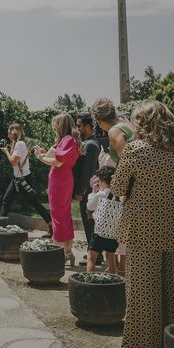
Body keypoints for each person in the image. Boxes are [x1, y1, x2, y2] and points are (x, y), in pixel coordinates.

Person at [111, 100, 174, 348]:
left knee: (144, 291)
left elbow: (118, 188)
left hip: (144, 229)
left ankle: (143, 346)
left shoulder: (135, 149)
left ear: (142, 123)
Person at [92, 98, 133, 274]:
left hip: (132, 187)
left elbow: (129, 161)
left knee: (122, 232)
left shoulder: (114, 132)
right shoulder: (125, 122)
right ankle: (120, 270)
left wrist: (119, 185)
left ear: (98, 121)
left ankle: (122, 274)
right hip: (135, 184)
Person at [34, 113, 82, 266]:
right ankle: (67, 252)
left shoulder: (68, 139)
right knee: (64, 214)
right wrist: (44, 154)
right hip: (63, 179)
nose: (54, 128)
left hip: (60, 180)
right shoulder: (69, 140)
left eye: (55, 125)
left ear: (61, 125)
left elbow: (57, 162)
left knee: (58, 215)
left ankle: (60, 251)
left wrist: (40, 157)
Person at [0, 123, 52, 234]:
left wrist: (6, 152)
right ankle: (0, 229)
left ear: (13, 133)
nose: (8, 135)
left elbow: (14, 161)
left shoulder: (20, 144)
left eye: (9, 133)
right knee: (7, 201)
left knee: (32, 203)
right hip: (19, 178)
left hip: (23, 179)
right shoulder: (18, 143)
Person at [73, 113, 101, 263]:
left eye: (79, 126)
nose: (77, 129)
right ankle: (97, 254)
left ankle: (94, 256)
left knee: (90, 223)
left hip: (88, 192)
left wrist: (80, 192)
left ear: (88, 127)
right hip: (89, 191)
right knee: (91, 223)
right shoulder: (90, 143)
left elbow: (87, 172)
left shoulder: (90, 145)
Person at [86, 167, 119, 273]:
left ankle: (89, 282)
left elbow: (90, 207)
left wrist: (93, 192)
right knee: (111, 257)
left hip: (100, 232)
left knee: (91, 257)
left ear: (102, 181)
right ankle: (113, 281)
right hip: (112, 232)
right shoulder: (118, 195)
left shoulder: (101, 194)